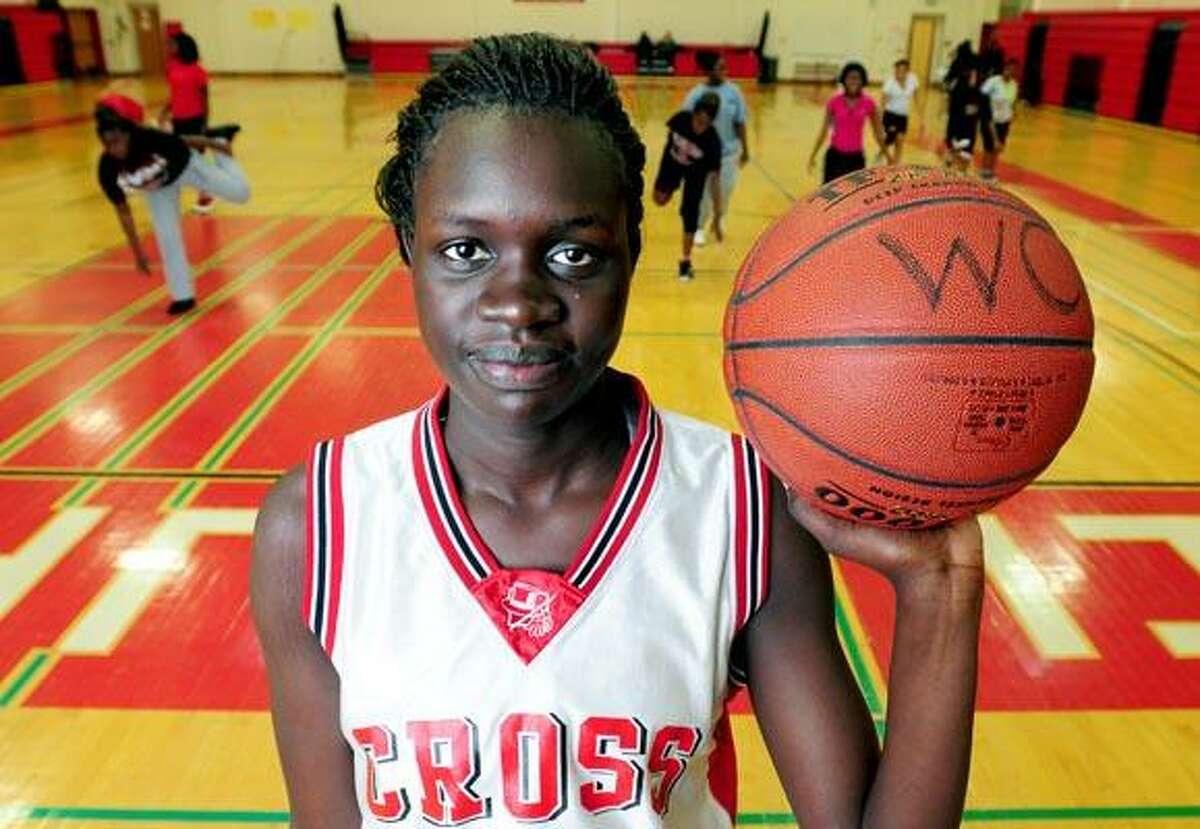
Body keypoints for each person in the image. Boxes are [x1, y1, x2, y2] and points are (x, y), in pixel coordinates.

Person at [252, 33, 984, 829]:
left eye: (572, 253)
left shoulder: (740, 510)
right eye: (465, 250)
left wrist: (940, 587)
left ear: (632, 247)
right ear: (408, 249)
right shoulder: (317, 524)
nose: (518, 303)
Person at [95, 94, 248, 314]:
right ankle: (183, 296)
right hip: (159, 189)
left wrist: (214, 144)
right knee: (167, 237)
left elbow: (183, 140)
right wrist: (137, 251)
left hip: (185, 166)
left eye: (117, 142)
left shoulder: (147, 137)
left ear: (127, 135)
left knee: (241, 194)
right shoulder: (107, 168)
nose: (113, 149)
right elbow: (123, 211)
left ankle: (223, 139)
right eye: (107, 144)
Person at [652, 92, 723, 280]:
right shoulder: (680, 120)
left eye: (705, 124)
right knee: (659, 200)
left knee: (690, 215)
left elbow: (715, 180)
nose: (700, 128)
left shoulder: (713, 142)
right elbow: (668, 141)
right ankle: (670, 189)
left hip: (695, 175)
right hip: (672, 164)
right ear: (694, 114)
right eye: (699, 121)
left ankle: (685, 262)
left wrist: (717, 213)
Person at [683, 50, 750, 246]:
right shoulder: (696, 95)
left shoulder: (734, 92)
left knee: (726, 191)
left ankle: (718, 219)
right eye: (720, 67)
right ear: (708, 70)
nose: (724, 71)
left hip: (729, 154)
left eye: (725, 67)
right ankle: (699, 227)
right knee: (704, 194)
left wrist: (746, 149)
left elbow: (740, 122)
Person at [160, 32, 215, 213]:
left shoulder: (198, 70)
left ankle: (205, 195)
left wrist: (205, 122)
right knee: (177, 159)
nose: (169, 48)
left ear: (182, 46)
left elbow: (204, 97)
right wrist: (165, 111)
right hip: (178, 119)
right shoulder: (171, 67)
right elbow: (175, 94)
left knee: (196, 160)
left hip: (195, 119)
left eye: (172, 44)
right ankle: (171, 198)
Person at [808, 62, 888, 183]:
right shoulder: (834, 101)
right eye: (850, 77)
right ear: (844, 80)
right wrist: (813, 155)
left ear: (863, 81)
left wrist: (887, 155)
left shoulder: (869, 103)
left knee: (855, 198)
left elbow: (878, 133)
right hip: (835, 158)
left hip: (856, 159)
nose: (854, 81)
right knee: (831, 198)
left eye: (858, 78)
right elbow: (823, 131)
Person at [944, 63, 988, 173]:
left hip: (970, 132)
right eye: (971, 75)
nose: (974, 78)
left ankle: (960, 177)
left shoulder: (980, 95)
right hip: (957, 131)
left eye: (976, 75)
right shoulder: (958, 92)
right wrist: (950, 136)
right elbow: (952, 116)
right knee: (955, 160)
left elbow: (983, 116)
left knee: (965, 160)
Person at [980, 59, 1019, 179]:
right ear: (1004, 68)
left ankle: (991, 171)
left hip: (1004, 120)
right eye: (1009, 68)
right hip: (991, 119)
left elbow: (1013, 102)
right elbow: (982, 96)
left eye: (1014, 70)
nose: (1011, 71)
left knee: (998, 147)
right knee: (989, 145)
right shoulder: (993, 82)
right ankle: (984, 171)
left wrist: (1014, 113)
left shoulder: (1014, 85)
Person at [878, 58, 918, 165]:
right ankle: (883, 153)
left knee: (900, 140)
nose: (899, 73)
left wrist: (920, 114)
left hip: (903, 116)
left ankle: (894, 164)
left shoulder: (912, 80)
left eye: (902, 70)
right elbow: (882, 102)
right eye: (897, 70)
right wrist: (879, 119)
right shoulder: (889, 83)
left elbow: (916, 95)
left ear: (907, 71)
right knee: (890, 138)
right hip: (890, 115)